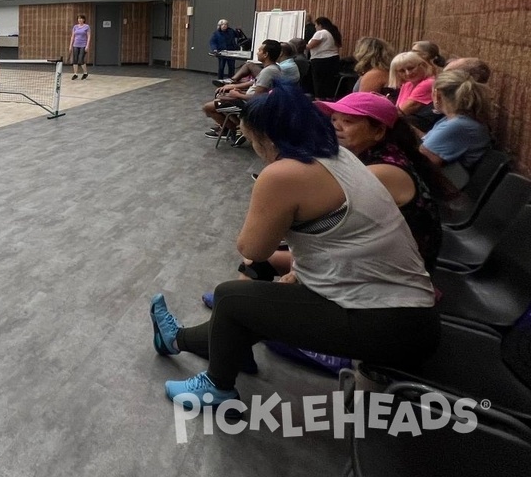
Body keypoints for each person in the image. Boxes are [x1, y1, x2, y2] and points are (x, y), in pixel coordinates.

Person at [150, 81, 439, 410]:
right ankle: (197, 345)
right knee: (250, 301)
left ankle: (217, 386)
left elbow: (252, 248)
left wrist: (268, 198)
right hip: (407, 314)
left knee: (232, 297)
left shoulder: (284, 174)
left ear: (266, 137)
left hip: (382, 322)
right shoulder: (338, 157)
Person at [317, 92, 448, 271]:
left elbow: (318, 211)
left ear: (378, 131)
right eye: (333, 119)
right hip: (376, 259)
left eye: (347, 121)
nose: (336, 127)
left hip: (395, 276)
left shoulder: (382, 171)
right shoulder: (376, 155)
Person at [202, 40, 283, 146]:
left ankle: (239, 129)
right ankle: (239, 128)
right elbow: (255, 84)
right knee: (221, 96)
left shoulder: (268, 72)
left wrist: (238, 95)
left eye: (259, 50)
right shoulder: (272, 68)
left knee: (208, 108)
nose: (257, 52)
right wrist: (235, 88)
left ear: (266, 54)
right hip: (248, 100)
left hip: (249, 105)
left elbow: (257, 97)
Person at [419, 69, 492, 173]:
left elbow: (424, 157)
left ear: (437, 95)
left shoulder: (458, 125)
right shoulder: (455, 120)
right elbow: (426, 140)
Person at [389, 51, 436, 120]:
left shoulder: (428, 83)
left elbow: (401, 112)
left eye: (411, 68)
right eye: (402, 71)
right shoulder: (408, 84)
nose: (408, 73)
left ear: (422, 65)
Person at [305, 16, 342, 99]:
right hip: (333, 59)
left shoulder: (321, 33)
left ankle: (319, 99)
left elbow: (311, 46)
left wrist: (302, 46)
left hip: (321, 60)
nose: (315, 27)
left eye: (316, 25)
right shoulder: (331, 32)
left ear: (320, 25)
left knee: (319, 82)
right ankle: (329, 98)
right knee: (328, 82)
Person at [69, 14, 91, 80]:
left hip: (83, 45)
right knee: (75, 59)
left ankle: (85, 73)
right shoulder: (75, 27)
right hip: (75, 44)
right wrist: (70, 45)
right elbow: (72, 36)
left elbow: (89, 36)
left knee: (81, 59)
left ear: (84, 19)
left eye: (81, 18)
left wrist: (87, 45)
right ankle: (75, 74)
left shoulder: (87, 27)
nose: (80, 20)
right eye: (78, 18)